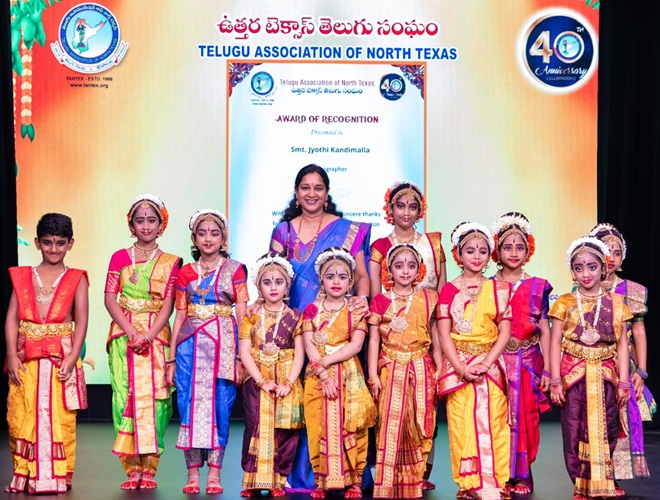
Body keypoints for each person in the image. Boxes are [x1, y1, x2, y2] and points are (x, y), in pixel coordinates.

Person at [269, 164, 371, 490]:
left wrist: (362, 300)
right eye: (305, 187)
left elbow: (362, 274)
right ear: (296, 193)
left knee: (342, 400)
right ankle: (300, 473)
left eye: (318, 188)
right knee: (302, 399)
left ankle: (347, 473)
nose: (311, 193)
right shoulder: (283, 232)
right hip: (295, 328)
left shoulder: (348, 230)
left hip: (338, 325)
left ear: (327, 194)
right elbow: (272, 271)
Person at [368, 180, 447, 489]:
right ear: (390, 209)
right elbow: (375, 292)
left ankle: (421, 473)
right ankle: (388, 471)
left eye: (413, 206)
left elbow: (442, 290)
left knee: (424, 408)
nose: (406, 212)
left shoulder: (432, 243)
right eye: (400, 206)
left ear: (420, 210)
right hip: (390, 334)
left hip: (427, 326)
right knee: (389, 411)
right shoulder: (380, 247)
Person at [5, 213, 89, 494]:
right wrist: (12, 355)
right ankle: (24, 473)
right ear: (37, 242)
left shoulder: (76, 278)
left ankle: (57, 474)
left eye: (60, 243)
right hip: (25, 357)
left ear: (70, 244)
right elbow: (11, 318)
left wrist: (73, 357)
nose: (54, 249)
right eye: (48, 243)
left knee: (59, 415)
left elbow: (82, 321)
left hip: (60, 358)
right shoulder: (24, 276)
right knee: (21, 413)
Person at [167, 209, 249, 495]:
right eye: (202, 234)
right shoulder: (185, 272)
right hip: (189, 345)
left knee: (221, 407)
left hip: (224, 344)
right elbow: (179, 316)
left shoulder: (235, 270)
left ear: (223, 238)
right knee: (187, 404)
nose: (208, 239)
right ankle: (192, 474)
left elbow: (243, 314)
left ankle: (215, 474)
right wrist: (171, 359)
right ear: (194, 238)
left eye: (214, 233)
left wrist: (241, 357)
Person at [104, 194, 181, 490]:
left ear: (161, 224)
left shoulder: (171, 262)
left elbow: (169, 304)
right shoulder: (119, 257)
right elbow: (110, 299)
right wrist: (131, 332)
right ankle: (131, 467)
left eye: (151, 220)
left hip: (156, 337)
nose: (146, 226)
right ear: (131, 225)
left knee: (157, 399)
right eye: (140, 220)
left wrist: (147, 335)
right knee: (124, 396)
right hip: (123, 335)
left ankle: (149, 467)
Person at [549, 236, 632, 500]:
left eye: (592, 267)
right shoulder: (564, 303)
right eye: (579, 267)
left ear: (604, 268)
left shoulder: (617, 303)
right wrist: (554, 380)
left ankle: (602, 482)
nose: (586, 273)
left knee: (607, 427)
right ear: (572, 271)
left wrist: (625, 382)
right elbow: (554, 343)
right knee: (573, 428)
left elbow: (622, 345)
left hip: (606, 375)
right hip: (574, 375)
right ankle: (580, 485)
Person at [437, 222, 512, 500]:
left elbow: (505, 331)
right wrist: (460, 368)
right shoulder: (448, 290)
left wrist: (487, 362)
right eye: (470, 251)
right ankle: (468, 483)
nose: (476, 256)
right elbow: (443, 334)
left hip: (490, 365)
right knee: (461, 424)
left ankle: (495, 481)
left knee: (495, 422)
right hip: (458, 367)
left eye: (482, 251)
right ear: (458, 254)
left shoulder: (499, 289)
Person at [302, 247, 377, 499]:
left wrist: (325, 362)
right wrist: (323, 374)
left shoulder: (357, 310)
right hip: (317, 376)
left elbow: (355, 346)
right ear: (321, 280)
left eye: (343, 276)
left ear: (351, 281)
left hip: (348, 374)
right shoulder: (311, 310)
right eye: (330, 276)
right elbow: (309, 344)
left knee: (353, 425)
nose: (336, 281)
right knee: (317, 425)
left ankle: (355, 481)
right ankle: (321, 481)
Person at [589, 224, 656, 488]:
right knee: (595, 416)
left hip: (624, 364)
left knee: (623, 418)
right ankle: (594, 475)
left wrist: (642, 371)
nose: (612, 258)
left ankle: (615, 476)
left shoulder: (633, 291)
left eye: (617, 253)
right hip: (593, 360)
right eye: (606, 252)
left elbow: (638, 332)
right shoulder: (584, 288)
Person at [490, 212, 552, 495]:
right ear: (497, 250)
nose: (513, 253)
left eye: (519, 247)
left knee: (526, 418)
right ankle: (500, 473)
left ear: (529, 250)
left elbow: (545, 329)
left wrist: (549, 369)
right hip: (497, 363)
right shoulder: (487, 285)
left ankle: (523, 474)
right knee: (496, 417)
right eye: (507, 247)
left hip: (528, 362)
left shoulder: (539, 286)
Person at [238, 254, 305, 497]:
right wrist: (260, 381)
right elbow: (244, 352)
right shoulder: (251, 316)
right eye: (267, 282)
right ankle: (252, 481)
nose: (273, 287)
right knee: (255, 426)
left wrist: (289, 383)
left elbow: (299, 354)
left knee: (284, 432)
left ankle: (279, 481)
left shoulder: (296, 316)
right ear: (259, 286)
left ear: (288, 285)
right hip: (257, 380)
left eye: (279, 282)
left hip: (286, 379)